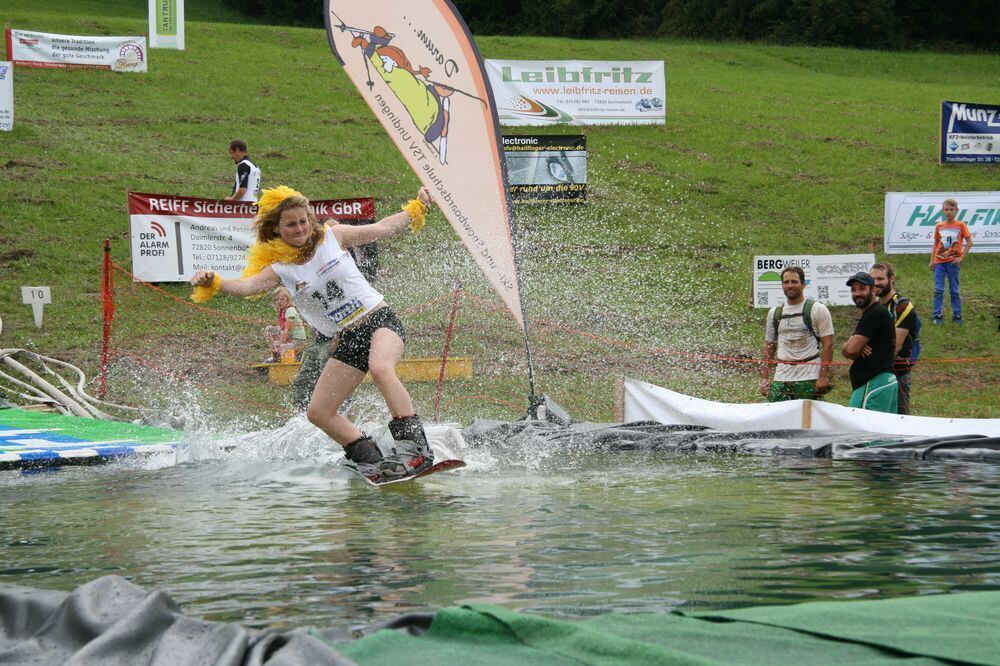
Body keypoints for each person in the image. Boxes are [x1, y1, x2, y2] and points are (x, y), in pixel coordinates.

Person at [191, 184, 434, 482]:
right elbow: (245, 287)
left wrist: (416, 208)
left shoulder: (334, 237)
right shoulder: (281, 269)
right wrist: (213, 281)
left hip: (379, 320)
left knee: (380, 367)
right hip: (348, 337)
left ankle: (416, 448)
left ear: (311, 219)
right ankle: (369, 457)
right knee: (319, 412)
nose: (299, 228)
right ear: (277, 229)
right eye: (291, 224)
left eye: (303, 221)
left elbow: (382, 228)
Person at [760, 266, 834, 402]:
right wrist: (764, 379)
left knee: (808, 420)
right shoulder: (774, 313)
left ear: (803, 284)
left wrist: (823, 377)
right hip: (781, 376)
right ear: (782, 285)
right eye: (786, 282)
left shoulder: (818, 309)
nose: (790, 286)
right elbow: (769, 346)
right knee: (774, 418)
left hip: (809, 375)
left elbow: (828, 345)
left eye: (794, 282)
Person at [841, 272, 898, 413]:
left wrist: (850, 344)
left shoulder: (874, 314)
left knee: (860, 431)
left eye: (862, 288)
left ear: (873, 290)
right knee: (884, 433)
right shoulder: (877, 312)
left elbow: (851, 351)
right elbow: (851, 349)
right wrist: (851, 343)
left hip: (873, 383)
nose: (857, 293)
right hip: (885, 381)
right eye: (853, 290)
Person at [870, 263, 920, 415]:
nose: (876, 283)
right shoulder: (875, 306)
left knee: (900, 419)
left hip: (898, 372)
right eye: (873, 279)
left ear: (891, 279)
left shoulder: (903, 307)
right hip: (877, 371)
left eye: (880, 278)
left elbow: (895, 346)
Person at [929, 198, 972, 325]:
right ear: (942, 211)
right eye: (946, 209)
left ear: (956, 210)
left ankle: (957, 315)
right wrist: (932, 260)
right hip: (939, 262)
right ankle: (937, 315)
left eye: (951, 209)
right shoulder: (939, 226)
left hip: (953, 263)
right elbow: (936, 243)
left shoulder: (961, 225)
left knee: (954, 290)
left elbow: (969, 242)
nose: (949, 212)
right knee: (938, 289)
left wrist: (961, 257)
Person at [265, 287, 307, 363]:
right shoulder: (282, 311)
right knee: (269, 329)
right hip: (289, 338)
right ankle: (276, 355)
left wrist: (280, 343)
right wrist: (276, 342)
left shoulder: (290, 310)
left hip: (297, 341)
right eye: (277, 300)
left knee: (283, 346)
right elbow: (282, 329)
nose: (279, 302)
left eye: (282, 299)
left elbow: (287, 330)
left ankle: (280, 356)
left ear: (288, 299)